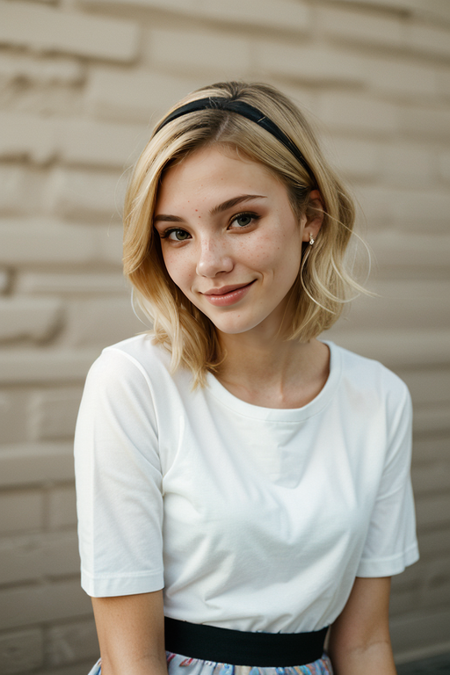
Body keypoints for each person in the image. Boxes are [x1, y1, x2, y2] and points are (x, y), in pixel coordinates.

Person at [74, 81, 419, 675]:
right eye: (176, 232)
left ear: (310, 215)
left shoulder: (379, 397)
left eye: (240, 219)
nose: (208, 263)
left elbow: (363, 645)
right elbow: (130, 657)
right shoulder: (132, 384)